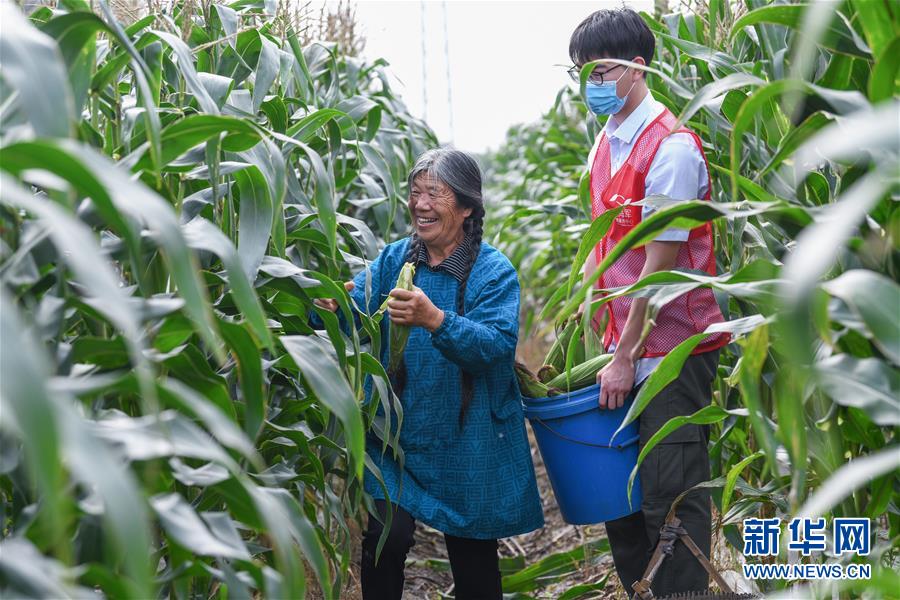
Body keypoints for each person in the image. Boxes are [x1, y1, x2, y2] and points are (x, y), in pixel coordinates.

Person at [312, 148, 543, 599]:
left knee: (474, 562)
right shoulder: (396, 261)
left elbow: (494, 348)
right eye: (415, 192)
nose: (420, 204)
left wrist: (436, 319)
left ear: (466, 207)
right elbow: (356, 315)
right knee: (386, 537)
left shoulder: (492, 272)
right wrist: (325, 306)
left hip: (468, 440)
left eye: (434, 194)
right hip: (400, 436)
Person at [568, 8, 729, 598]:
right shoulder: (605, 144)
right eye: (582, 71)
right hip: (625, 351)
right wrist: (586, 295)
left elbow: (659, 270)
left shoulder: (672, 149)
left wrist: (625, 352)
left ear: (637, 69)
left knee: (670, 503)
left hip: (672, 354)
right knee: (622, 501)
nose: (592, 83)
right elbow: (602, 240)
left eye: (602, 70)